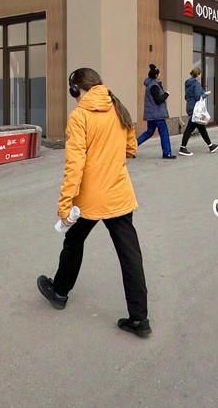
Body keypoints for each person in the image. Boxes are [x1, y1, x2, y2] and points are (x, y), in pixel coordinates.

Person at [37, 68, 151, 338]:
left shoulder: (80, 116)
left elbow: (74, 165)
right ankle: (140, 319)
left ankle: (60, 292)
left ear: (76, 89)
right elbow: (131, 149)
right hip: (119, 194)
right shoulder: (118, 108)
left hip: (89, 199)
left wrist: (65, 205)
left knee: (73, 241)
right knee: (130, 256)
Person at [136, 64, 175, 159]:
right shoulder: (154, 86)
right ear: (156, 75)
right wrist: (166, 94)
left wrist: (160, 85)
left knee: (149, 132)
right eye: (159, 74)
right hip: (157, 115)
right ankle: (167, 153)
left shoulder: (151, 84)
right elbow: (158, 100)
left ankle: (131, 146)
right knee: (164, 133)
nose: (160, 75)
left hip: (151, 115)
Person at [178, 67, 218, 157]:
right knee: (190, 128)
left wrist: (202, 93)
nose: (201, 76)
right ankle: (182, 148)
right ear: (198, 75)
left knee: (201, 128)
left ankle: (211, 146)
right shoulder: (196, 84)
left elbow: (187, 96)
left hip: (190, 107)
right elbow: (198, 97)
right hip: (195, 109)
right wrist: (205, 94)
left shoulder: (188, 83)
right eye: (200, 74)